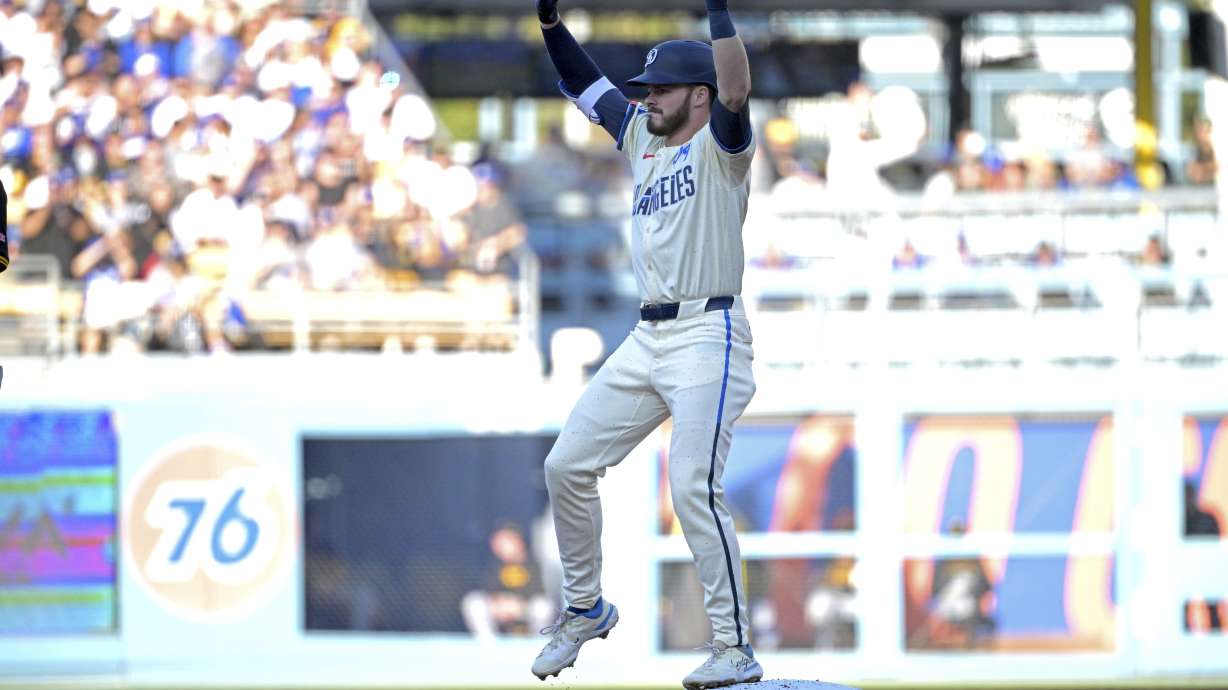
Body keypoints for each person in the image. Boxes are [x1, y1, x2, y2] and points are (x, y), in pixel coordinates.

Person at [530, 0, 762, 686]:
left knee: (691, 484)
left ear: (697, 94)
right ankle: (583, 608)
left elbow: (738, 87)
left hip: (707, 334)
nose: (646, 97)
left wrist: (717, 13)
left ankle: (732, 646)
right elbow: (588, 87)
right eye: (646, 89)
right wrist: (551, 28)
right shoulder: (643, 139)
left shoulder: (721, 146)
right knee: (566, 465)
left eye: (659, 88)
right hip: (646, 335)